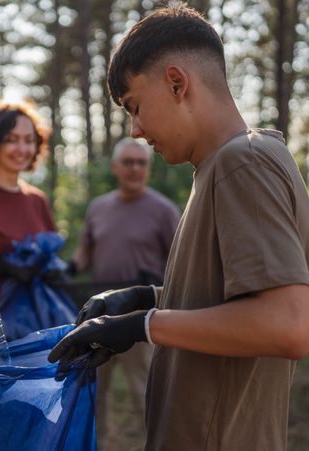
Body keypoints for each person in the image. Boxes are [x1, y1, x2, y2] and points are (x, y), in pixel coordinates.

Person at [49, 3, 309, 451]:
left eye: (135, 106)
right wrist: (146, 299)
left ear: (176, 82)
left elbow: (286, 325)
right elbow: (230, 301)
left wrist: (143, 325)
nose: (135, 130)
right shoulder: (222, 167)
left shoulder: (242, 163)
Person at [71, 137, 179, 450]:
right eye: (128, 162)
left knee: (146, 393)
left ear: (148, 167)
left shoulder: (164, 210)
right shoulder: (99, 208)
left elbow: (182, 262)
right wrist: (66, 269)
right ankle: (97, 445)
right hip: (98, 318)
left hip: (141, 320)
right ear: (116, 167)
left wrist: (155, 282)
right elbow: (84, 255)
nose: (135, 168)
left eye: (141, 162)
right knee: (94, 393)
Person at [0, 98, 76, 341]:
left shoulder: (37, 200)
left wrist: (52, 270)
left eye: (29, 140)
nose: (22, 149)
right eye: (11, 140)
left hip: (38, 325)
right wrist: (1, 265)